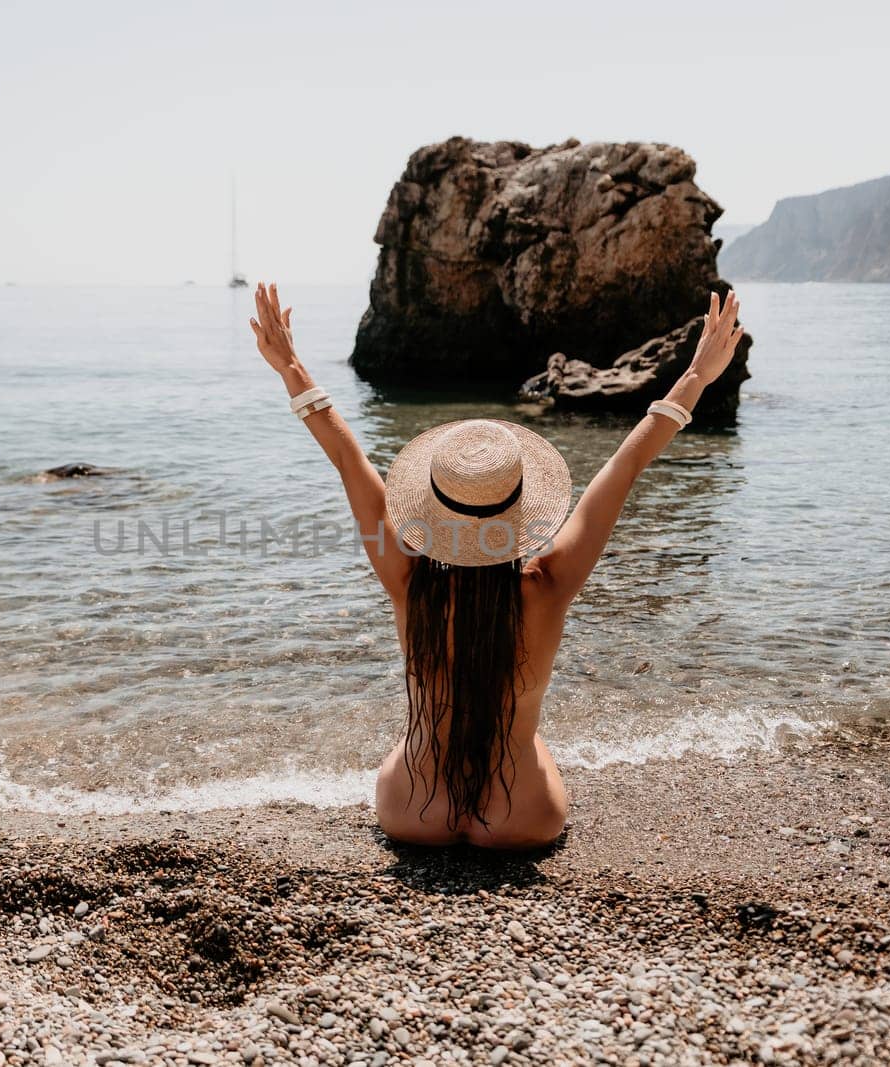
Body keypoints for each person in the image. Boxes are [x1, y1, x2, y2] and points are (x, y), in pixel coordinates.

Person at [249, 282, 745, 849]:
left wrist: (290, 366)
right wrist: (696, 377)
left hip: (413, 809)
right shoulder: (550, 584)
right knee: (526, 737)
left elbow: (347, 458)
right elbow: (626, 464)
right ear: (521, 508)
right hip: (522, 815)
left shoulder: (409, 583)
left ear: (429, 511)